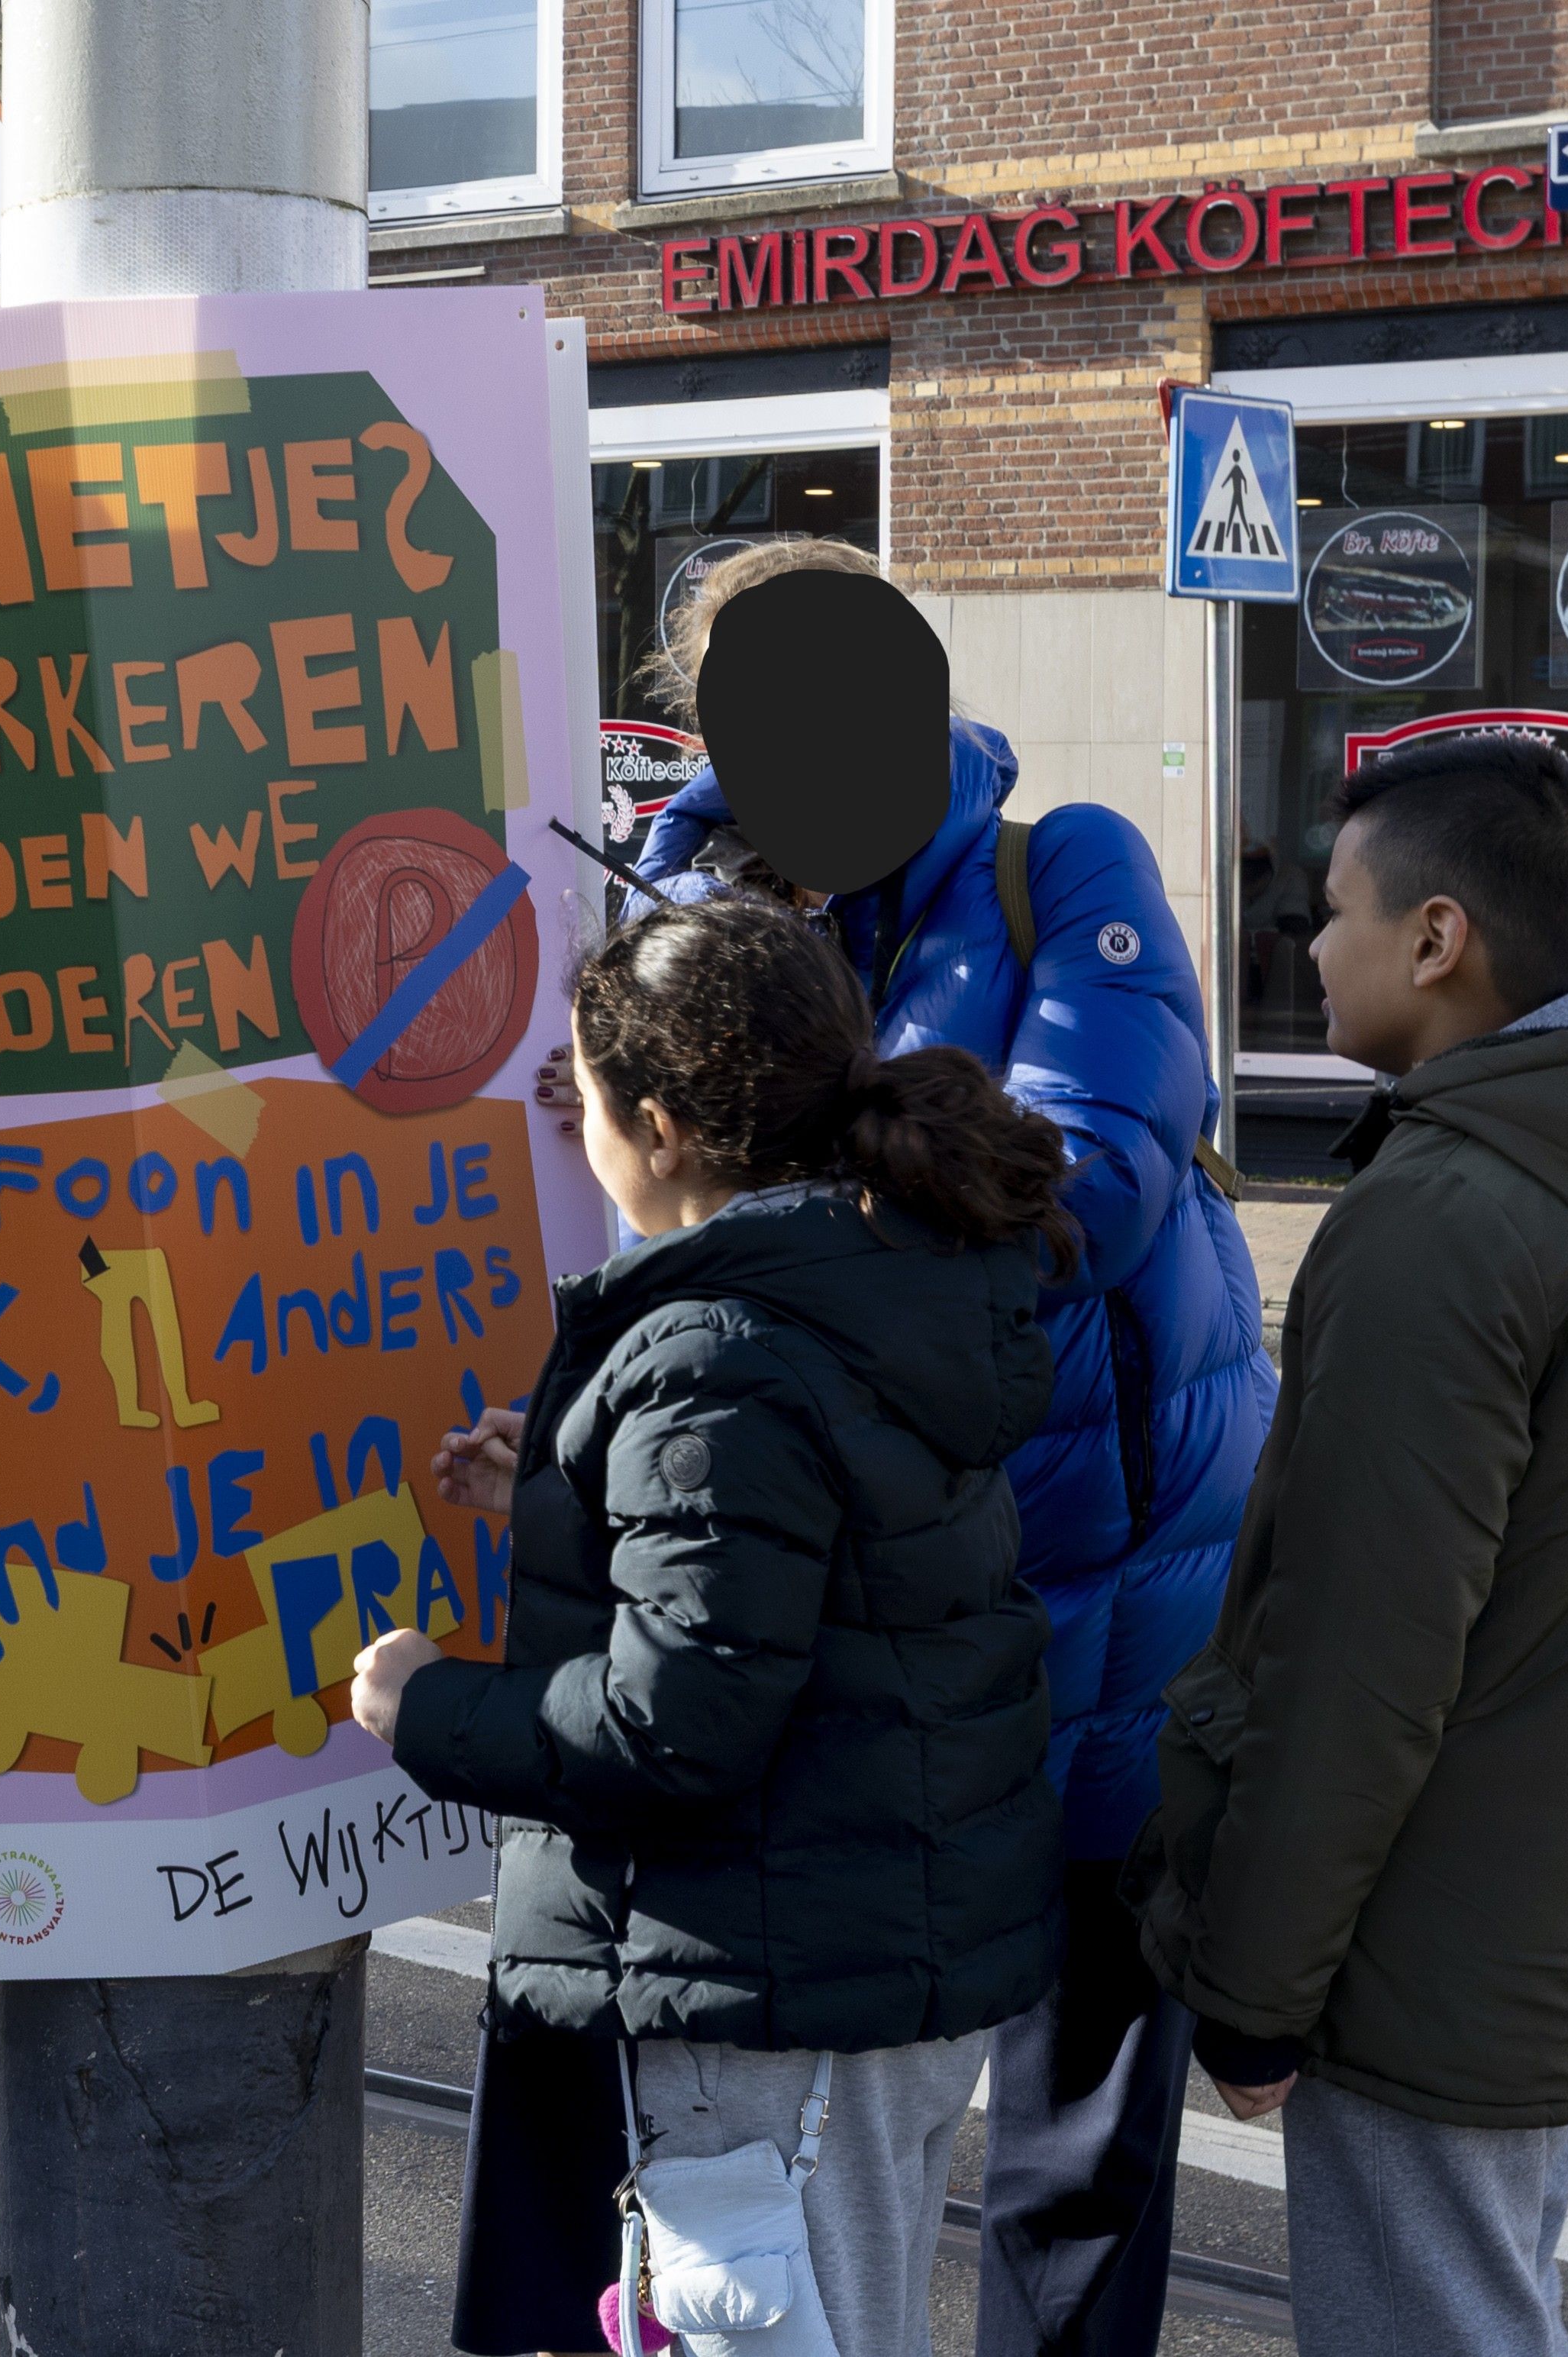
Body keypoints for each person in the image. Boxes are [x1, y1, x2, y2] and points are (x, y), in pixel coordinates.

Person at [631, 539, 1273, 2355]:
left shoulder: (1055, 864)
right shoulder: (674, 897)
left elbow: (1098, 1168)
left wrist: (801, 1210)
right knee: (819, 2111)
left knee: (1073, 2122)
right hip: (842, 1592)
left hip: (1089, 1568)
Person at [1130, 736, 1568, 2356]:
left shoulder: (1444, 1217)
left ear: (1436, 939)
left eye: (1333, 909)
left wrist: (1256, 1979)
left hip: (1415, 1922)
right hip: (1552, 1883)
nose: (1305, 941)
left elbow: (1356, 1654)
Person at [349, 893, 1072, 2357]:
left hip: (770, 1973)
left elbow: (678, 1718)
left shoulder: (717, 1348)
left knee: (788, 2328)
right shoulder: (877, 1279)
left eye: (587, 1099)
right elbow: (834, 1572)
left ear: (662, 1127)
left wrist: (424, 1704)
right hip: (867, 1943)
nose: (580, 1134)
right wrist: (565, 1502)